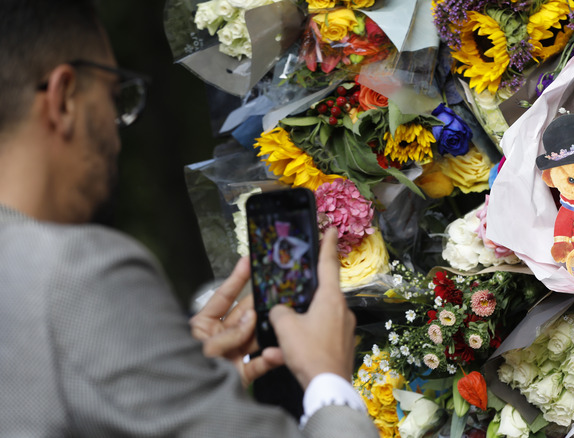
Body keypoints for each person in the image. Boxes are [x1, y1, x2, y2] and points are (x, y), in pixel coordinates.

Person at [0, 1, 378, 436]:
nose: (118, 129)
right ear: (64, 97)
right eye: (113, 96)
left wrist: (188, 388)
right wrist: (327, 378)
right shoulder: (73, 271)